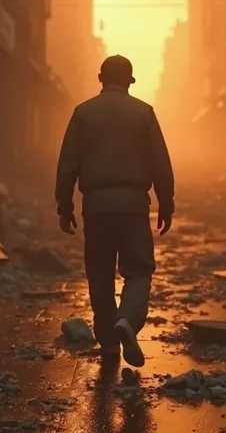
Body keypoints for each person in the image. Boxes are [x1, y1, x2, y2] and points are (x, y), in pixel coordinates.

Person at [55, 54, 174, 367]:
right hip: (134, 204)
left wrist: (64, 205)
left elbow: (68, 164)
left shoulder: (83, 113)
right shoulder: (143, 113)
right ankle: (128, 320)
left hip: (95, 206)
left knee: (99, 273)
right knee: (138, 269)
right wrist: (166, 202)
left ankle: (108, 343)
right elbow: (160, 163)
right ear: (130, 81)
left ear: (100, 78)